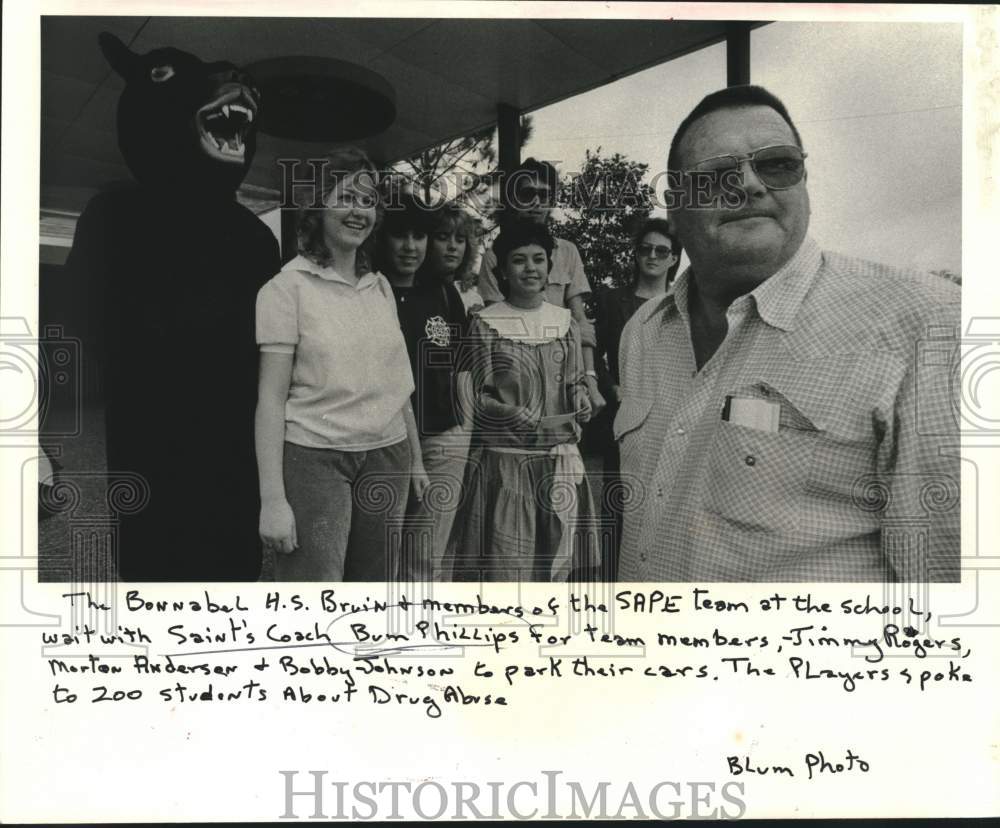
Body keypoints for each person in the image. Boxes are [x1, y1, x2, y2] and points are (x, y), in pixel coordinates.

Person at [615, 84, 960, 582]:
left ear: (803, 181)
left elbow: (955, 599)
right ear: (674, 204)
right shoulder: (643, 333)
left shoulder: (924, 324)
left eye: (777, 165)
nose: (751, 185)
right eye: (717, 174)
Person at [255, 148, 427, 582]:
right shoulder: (285, 288)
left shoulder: (380, 287)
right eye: (347, 197)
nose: (359, 211)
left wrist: (417, 463)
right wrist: (273, 500)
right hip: (316, 459)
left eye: (368, 201)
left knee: (373, 593)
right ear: (318, 205)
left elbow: (397, 388)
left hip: (389, 457)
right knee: (313, 596)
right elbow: (270, 401)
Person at [454, 220, 600, 582]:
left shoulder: (565, 322)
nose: (530, 268)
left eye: (538, 259)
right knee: (510, 573)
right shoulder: (486, 324)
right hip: (507, 469)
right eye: (519, 260)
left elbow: (574, 382)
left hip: (558, 464)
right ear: (502, 269)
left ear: (550, 266)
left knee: (554, 571)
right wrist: (511, 413)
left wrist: (580, 398)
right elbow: (474, 397)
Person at [377, 195, 472, 581]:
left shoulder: (443, 292)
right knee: (383, 557)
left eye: (420, 236)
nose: (411, 247)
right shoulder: (373, 292)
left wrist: (466, 427)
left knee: (427, 557)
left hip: (446, 438)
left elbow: (463, 362)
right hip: (392, 439)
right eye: (401, 236)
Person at [477, 158, 606, 415]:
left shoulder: (568, 251)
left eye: (544, 194)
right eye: (527, 193)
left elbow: (580, 320)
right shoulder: (495, 256)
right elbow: (495, 325)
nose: (536, 201)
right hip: (516, 376)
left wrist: (590, 379)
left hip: (567, 373)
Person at [594, 218, 682, 577]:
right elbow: (592, 355)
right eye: (645, 248)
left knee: (664, 503)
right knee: (620, 503)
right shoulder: (614, 301)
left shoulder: (682, 303)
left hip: (670, 415)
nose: (652, 256)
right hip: (624, 416)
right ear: (635, 253)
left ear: (674, 259)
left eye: (662, 251)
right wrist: (611, 386)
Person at [421, 202, 486, 314]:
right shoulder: (415, 292)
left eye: (460, 240)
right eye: (442, 237)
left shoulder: (473, 299)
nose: (452, 246)